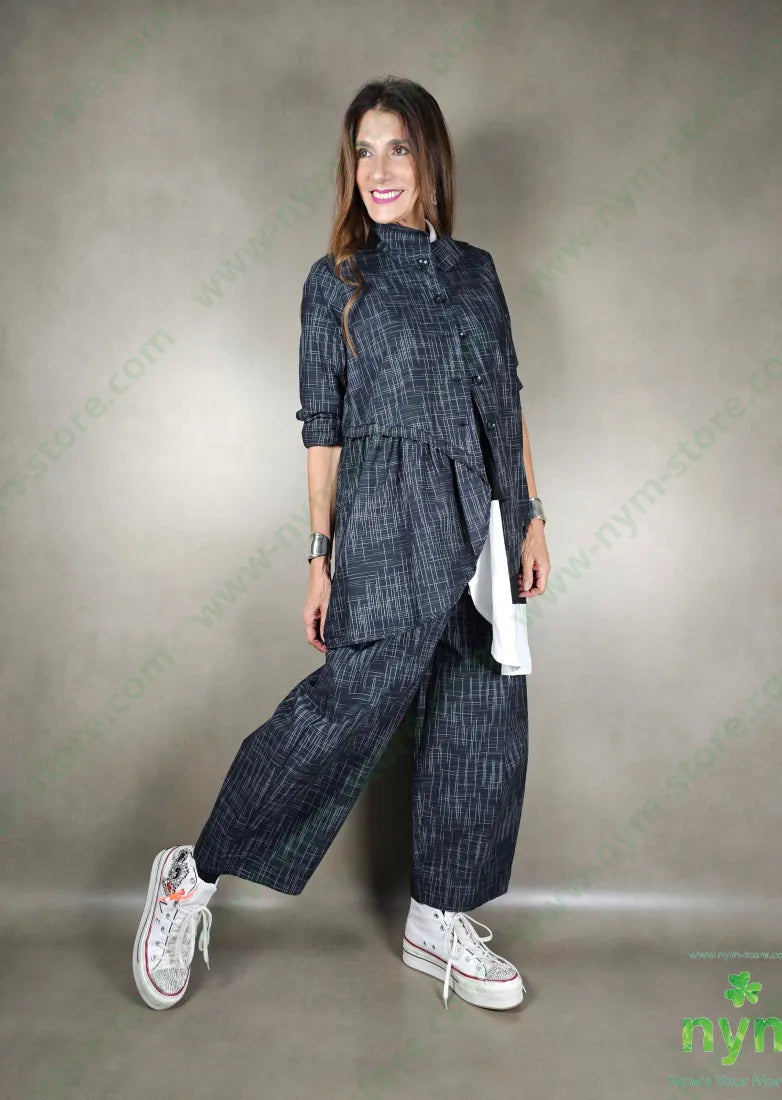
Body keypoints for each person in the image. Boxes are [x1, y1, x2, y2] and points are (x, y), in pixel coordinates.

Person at [132, 75, 551, 1015]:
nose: (377, 169)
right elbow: (320, 428)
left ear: (430, 159)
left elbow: (507, 400)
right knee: (347, 707)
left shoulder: (476, 272)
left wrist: (529, 514)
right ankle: (194, 873)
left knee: (480, 715)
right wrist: (319, 556)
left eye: (396, 147)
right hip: (386, 513)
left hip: (483, 518)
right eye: (362, 151)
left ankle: (436, 915)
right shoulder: (337, 282)